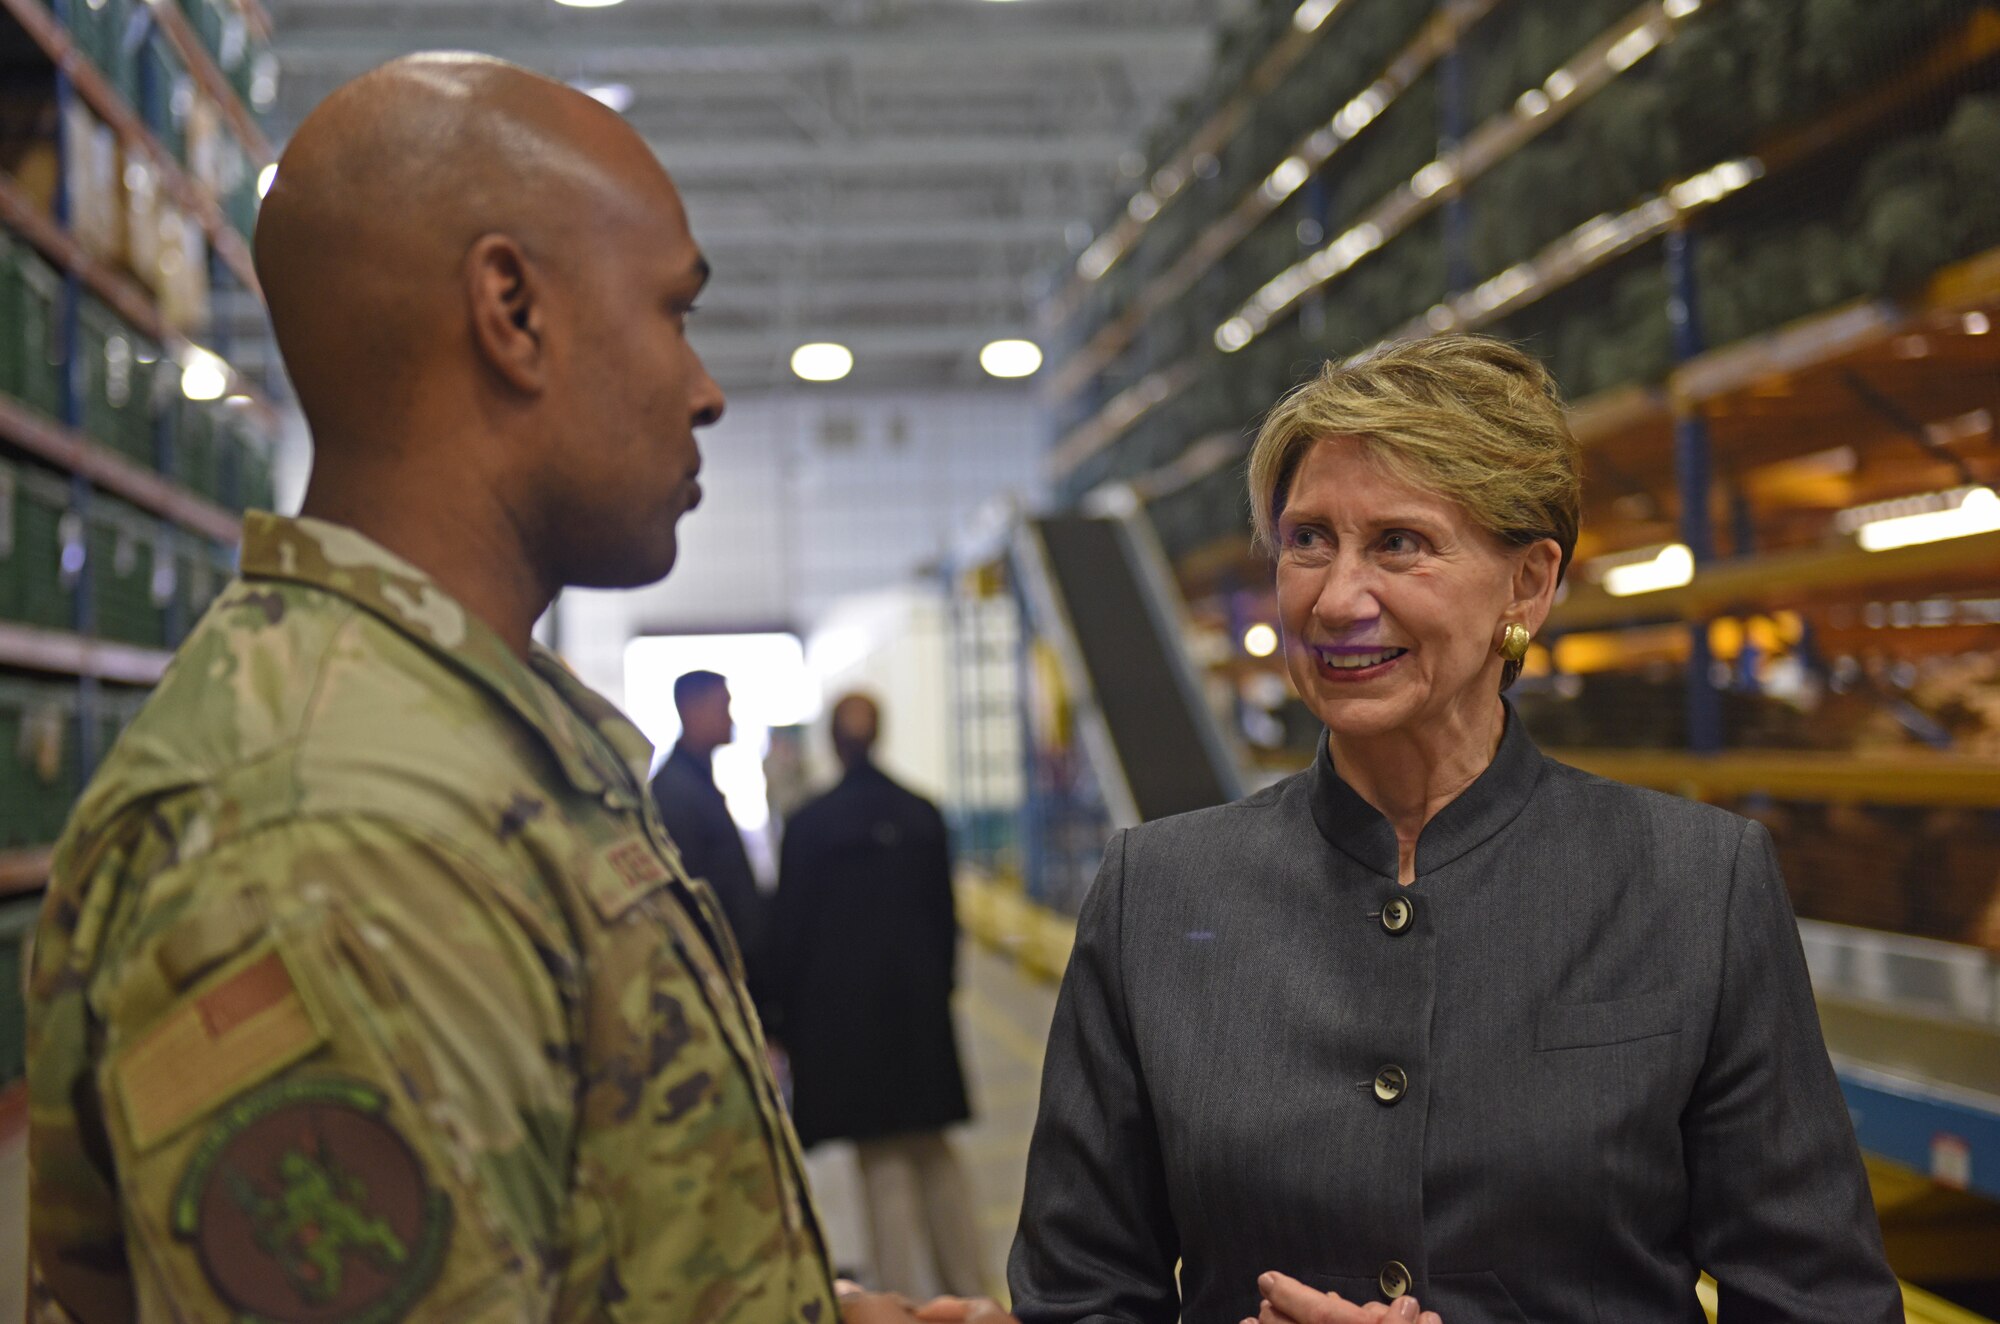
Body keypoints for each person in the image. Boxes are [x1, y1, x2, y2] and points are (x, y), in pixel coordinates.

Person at [26, 53, 1000, 1324]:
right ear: (512, 311)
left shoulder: (472, 736)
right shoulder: (335, 838)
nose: (704, 389)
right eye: (673, 312)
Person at [1007, 334, 1903, 1324]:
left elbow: (1821, 1307)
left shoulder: (1692, 887)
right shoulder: (1157, 895)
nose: (1336, 597)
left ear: (1527, 585)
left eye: (1398, 542)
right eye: (1307, 538)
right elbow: (1077, 1294)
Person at [772, 696, 984, 1300]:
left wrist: (784, 1019)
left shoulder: (810, 825)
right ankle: (969, 1295)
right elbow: (947, 925)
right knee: (937, 1156)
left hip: (850, 1030)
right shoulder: (922, 814)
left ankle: (903, 1304)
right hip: (919, 1022)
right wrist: (937, 992)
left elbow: (791, 931)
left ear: (834, 743)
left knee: (882, 1166)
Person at [651, 668, 768, 1000]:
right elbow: (691, 896)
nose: (731, 719)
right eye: (723, 707)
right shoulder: (675, 792)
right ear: (691, 710)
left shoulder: (694, 783)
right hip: (708, 975)